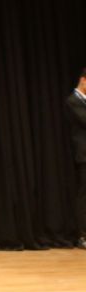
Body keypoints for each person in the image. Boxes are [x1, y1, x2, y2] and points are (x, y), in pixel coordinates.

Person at [65, 68, 86, 250]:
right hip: (84, 155)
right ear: (83, 80)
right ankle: (83, 235)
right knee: (84, 195)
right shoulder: (72, 101)